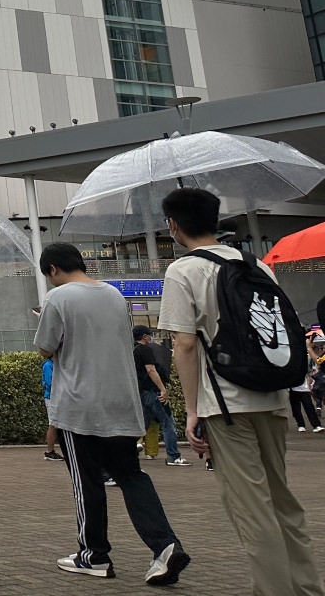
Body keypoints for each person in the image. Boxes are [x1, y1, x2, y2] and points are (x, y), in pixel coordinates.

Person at [158, 186, 325, 596]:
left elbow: (184, 343)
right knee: (283, 501)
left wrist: (192, 410)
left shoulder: (183, 270)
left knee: (252, 509)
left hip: (225, 405)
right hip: (272, 395)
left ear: (173, 225)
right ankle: (306, 588)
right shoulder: (257, 265)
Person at [35, 243, 190, 585]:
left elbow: (46, 348)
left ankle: (93, 556)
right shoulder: (115, 295)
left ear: (53, 270)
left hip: (79, 406)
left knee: (87, 481)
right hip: (121, 403)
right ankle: (165, 546)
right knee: (131, 476)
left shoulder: (58, 298)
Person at [132, 327, 189, 465]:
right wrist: (163, 389)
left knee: (142, 424)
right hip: (152, 390)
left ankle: (125, 452)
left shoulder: (132, 350)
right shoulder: (145, 350)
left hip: (141, 391)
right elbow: (151, 370)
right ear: (145, 336)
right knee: (168, 422)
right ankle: (173, 456)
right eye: (149, 335)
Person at [290, 361, 323, 432]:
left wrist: (310, 380)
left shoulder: (303, 362)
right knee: (296, 408)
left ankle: (316, 425)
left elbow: (309, 373)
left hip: (305, 388)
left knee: (309, 407)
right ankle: (301, 425)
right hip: (293, 388)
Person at [42, 359, 64, 461]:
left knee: (57, 424)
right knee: (53, 424)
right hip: (51, 397)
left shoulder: (57, 364)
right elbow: (50, 383)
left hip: (59, 397)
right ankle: (50, 451)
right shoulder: (48, 365)